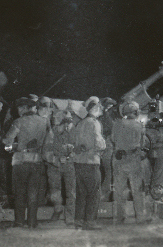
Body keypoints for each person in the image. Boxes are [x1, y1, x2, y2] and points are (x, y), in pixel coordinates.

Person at [3, 97, 51, 228]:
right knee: (33, 193)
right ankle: (32, 222)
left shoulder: (18, 122)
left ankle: (19, 222)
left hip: (20, 161)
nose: (18, 110)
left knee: (20, 193)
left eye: (20, 108)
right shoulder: (44, 122)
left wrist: (12, 147)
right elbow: (49, 141)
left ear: (25, 108)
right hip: (37, 161)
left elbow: (7, 142)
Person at [112, 101, 150, 224]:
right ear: (136, 112)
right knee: (137, 190)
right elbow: (143, 143)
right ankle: (140, 216)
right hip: (133, 159)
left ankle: (119, 217)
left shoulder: (117, 124)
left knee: (119, 190)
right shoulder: (139, 126)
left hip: (119, 159)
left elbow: (113, 139)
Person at [72, 97, 106, 230]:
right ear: (95, 109)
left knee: (81, 193)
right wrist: (103, 147)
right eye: (99, 108)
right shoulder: (94, 123)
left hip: (78, 162)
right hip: (91, 162)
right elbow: (99, 143)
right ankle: (90, 222)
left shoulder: (80, 123)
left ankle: (78, 221)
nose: (101, 110)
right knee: (93, 193)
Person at [46, 110, 76, 225]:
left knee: (71, 191)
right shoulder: (51, 133)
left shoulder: (73, 132)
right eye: (66, 123)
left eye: (69, 123)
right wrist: (56, 160)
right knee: (54, 191)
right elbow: (46, 152)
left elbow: (77, 147)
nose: (68, 125)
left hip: (69, 165)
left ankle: (70, 216)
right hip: (54, 166)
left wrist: (73, 153)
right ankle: (58, 209)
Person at [98, 97, 118, 199]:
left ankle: (104, 194)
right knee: (109, 173)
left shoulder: (101, 117)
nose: (112, 107)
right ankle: (104, 194)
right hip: (108, 148)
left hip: (105, 149)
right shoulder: (106, 117)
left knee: (107, 173)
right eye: (110, 105)